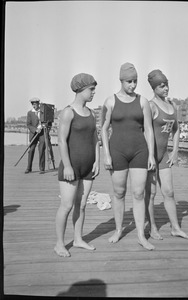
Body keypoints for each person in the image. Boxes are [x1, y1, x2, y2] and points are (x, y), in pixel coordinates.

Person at [101, 62, 156, 251]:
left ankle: (141, 234)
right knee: (118, 193)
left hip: (140, 151)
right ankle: (118, 230)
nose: (133, 85)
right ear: (121, 80)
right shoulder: (110, 101)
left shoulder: (143, 102)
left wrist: (151, 155)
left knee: (139, 193)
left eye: (135, 81)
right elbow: (103, 129)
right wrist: (107, 155)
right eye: (129, 82)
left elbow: (148, 129)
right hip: (117, 151)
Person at [144, 69, 188, 240]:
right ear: (154, 88)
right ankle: (152, 227)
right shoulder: (150, 106)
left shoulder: (172, 106)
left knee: (169, 192)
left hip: (164, 155)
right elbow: (145, 131)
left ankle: (175, 228)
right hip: (149, 155)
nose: (166, 89)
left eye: (167, 85)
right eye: (161, 86)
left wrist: (175, 151)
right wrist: (149, 155)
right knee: (151, 194)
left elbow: (177, 129)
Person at [54, 73, 100, 257]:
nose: (94, 92)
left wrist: (97, 160)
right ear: (80, 89)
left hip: (88, 167)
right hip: (71, 167)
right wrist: (67, 166)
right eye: (91, 89)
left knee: (81, 206)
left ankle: (79, 239)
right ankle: (59, 243)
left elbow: (95, 139)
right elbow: (61, 141)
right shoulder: (68, 112)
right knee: (66, 206)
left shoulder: (91, 113)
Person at [25, 97, 47, 174]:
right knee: (31, 150)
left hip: (42, 134)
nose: (34, 106)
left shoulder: (43, 111)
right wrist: (35, 129)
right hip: (34, 134)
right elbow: (28, 124)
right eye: (33, 104)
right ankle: (29, 168)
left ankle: (42, 169)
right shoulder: (30, 113)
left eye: (35, 104)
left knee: (41, 150)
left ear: (38, 104)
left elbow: (48, 121)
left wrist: (44, 125)